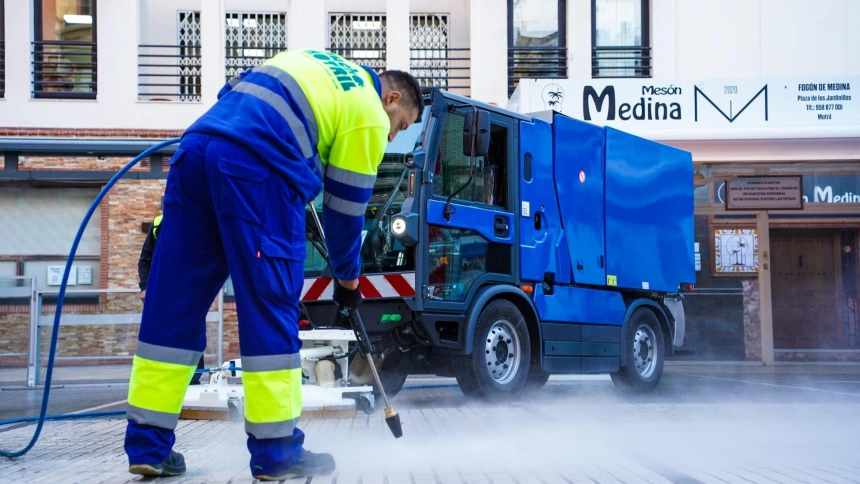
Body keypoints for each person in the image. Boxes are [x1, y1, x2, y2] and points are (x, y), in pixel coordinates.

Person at [123, 49, 422, 481]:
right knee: (269, 306)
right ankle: (276, 455)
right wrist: (349, 281)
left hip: (196, 150)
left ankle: (147, 447)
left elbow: (232, 95)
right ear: (391, 98)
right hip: (256, 173)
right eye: (402, 126)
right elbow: (345, 214)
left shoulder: (311, 60)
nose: (393, 137)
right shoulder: (368, 110)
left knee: (173, 306)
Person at [137, 212, 205, 385]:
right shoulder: (159, 223)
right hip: (163, 290)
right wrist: (144, 287)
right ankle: (164, 374)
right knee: (162, 333)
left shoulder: (199, 220)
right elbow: (145, 259)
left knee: (192, 331)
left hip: (190, 290)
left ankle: (193, 376)